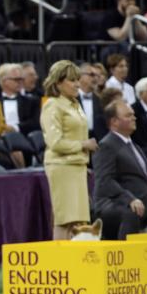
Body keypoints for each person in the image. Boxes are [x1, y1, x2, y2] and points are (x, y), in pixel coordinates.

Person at [40, 60, 97, 240]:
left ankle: (74, 256)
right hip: (62, 166)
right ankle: (60, 256)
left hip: (77, 166)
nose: (77, 84)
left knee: (78, 222)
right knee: (65, 220)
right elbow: (55, 142)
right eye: (72, 80)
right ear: (58, 83)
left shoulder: (75, 104)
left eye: (78, 80)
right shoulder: (52, 105)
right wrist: (83, 145)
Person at [93, 99, 147, 239]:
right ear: (114, 122)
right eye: (128, 115)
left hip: (140, 210)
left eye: (133, 114)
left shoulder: (132, 144)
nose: (134, 118)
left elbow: (135, 176)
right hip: (116, 208)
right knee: (130, 215)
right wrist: (129, 199)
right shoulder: (106, 145)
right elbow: (105, 181)